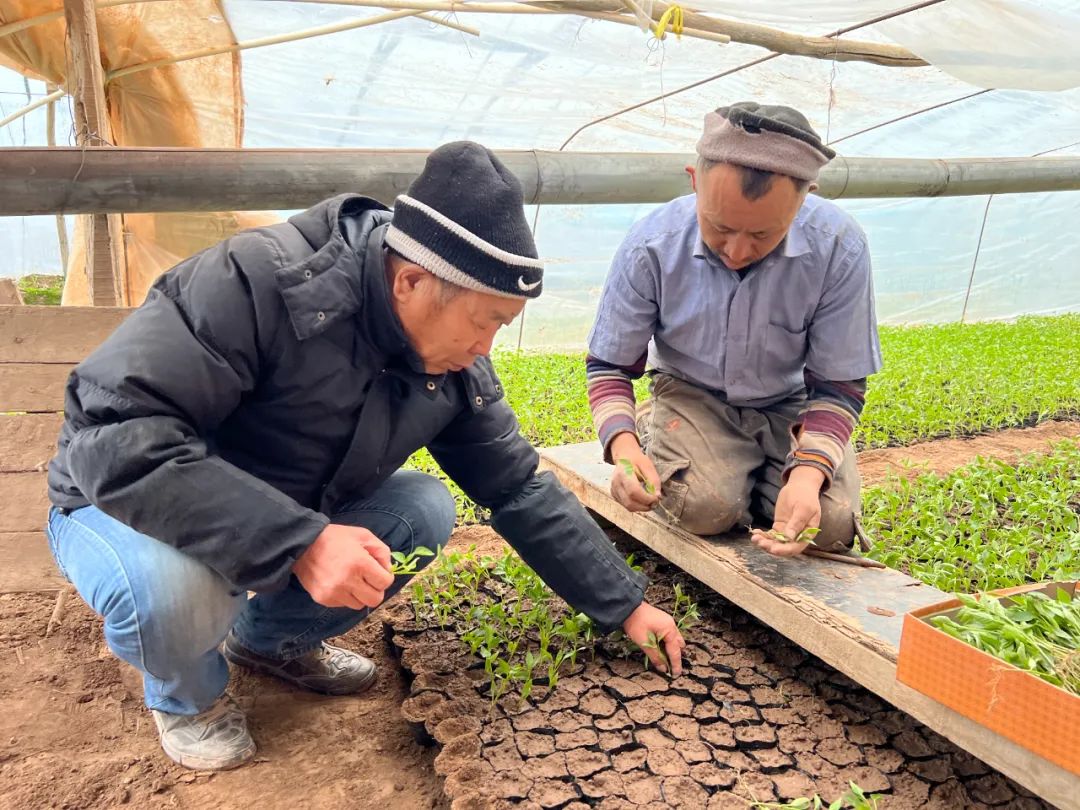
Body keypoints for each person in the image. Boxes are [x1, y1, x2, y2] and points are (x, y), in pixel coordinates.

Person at [45, 141, 684, 772]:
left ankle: (267, 644)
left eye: (502, 326)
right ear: (411, 280)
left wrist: (625, 604)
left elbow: (515, 487)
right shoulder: (254, 281)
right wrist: (300, 543)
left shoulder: (453, 362)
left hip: (282, 510)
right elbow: (115, 432)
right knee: (177, 590)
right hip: (118, 504)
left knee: (422, 508)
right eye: (483, 321)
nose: (485, 347)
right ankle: (188, 697)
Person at [586, 102, 882, 557]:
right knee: (706, 506)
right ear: (694, 180)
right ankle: (654, 426)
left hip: (788, 403)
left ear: (804, 198)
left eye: (763, 235)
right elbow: (608, 365)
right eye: (719, 228)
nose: (738, 250)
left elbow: (839, 386)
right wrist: (625, 450)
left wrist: (807, 476)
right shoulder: (651, 245)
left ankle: (768, 471)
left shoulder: (839, 247)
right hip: (693, 393)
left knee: (830, 526)